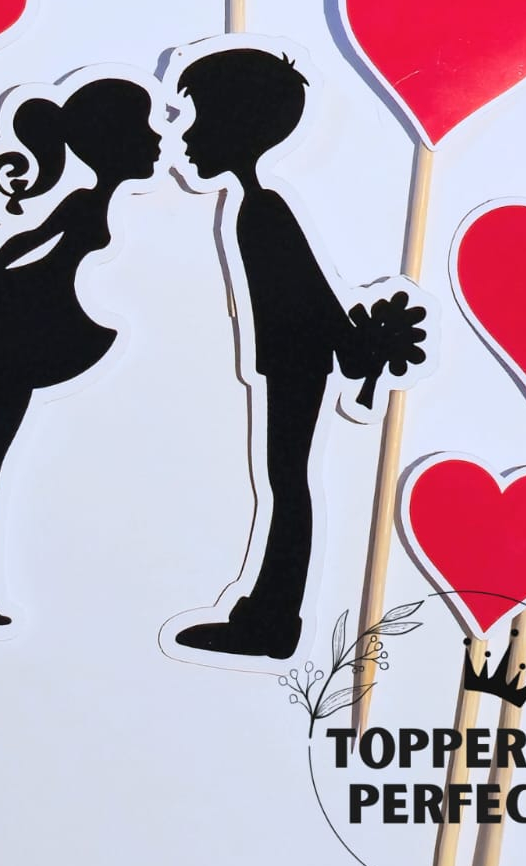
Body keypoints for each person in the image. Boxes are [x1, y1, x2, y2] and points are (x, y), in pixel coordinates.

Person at [170, 46, 426, 660]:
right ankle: (268, 611)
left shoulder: (264, 210)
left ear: (234, 125)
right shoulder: (257, 207)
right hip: (292, 363)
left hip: (296, 365)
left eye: (197, 118)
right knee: (286, 482)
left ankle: (273, 619)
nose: (185, 136)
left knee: (288, 484)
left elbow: (312, 297)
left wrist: (354, 350)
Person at [0, 77, 163, 627]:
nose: (157, 140)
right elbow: (22, 242)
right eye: (145, 128)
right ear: (114, 141)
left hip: (40, 314)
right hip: (24, 322)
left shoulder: (95, 199)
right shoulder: (83, 201)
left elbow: (27, 243)